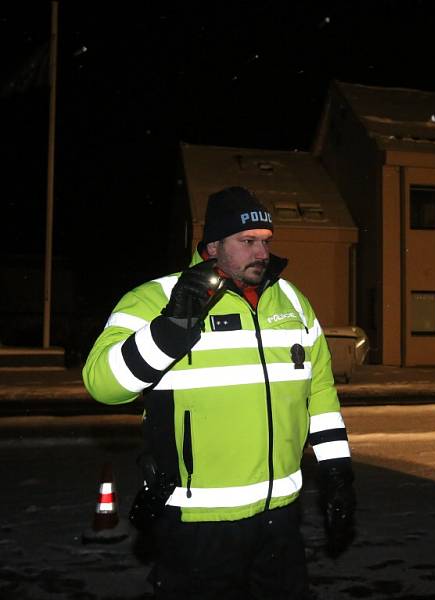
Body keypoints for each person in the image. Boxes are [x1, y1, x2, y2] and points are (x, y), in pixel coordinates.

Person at [82, 186, 356, 599]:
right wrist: (169, 331)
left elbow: (318, 393)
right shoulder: (156, 297)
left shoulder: (293, 303)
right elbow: (102, 384)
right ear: (212, 247)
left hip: (280, 518)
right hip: (198, 521)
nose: (261, 253)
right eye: (247, 242)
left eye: (265, 241)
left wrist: (337, 473)